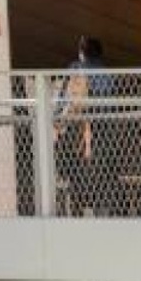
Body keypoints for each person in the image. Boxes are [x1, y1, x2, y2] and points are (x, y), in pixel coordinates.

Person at [55, 35, 113, 215]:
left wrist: (58, 119)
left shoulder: (75, 68)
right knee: (103, 175)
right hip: (103, 127)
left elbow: (64, 97)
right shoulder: (107, 73)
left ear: (82, 52)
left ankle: (77, 209)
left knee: (75, 172)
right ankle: (102, 212)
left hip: (76, 127)